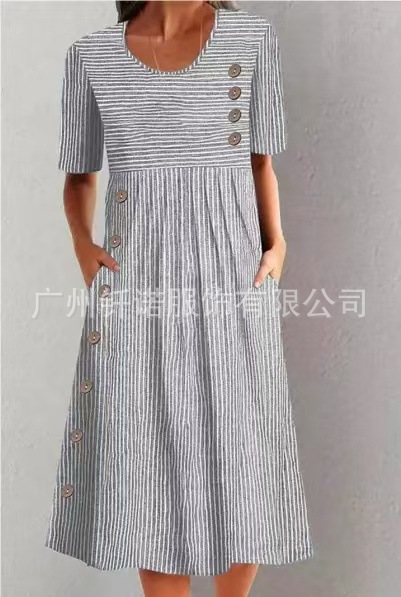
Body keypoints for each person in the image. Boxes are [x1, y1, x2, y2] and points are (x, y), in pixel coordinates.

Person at [45, 1, 314, 595]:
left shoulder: (251, 40)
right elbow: (79, 176)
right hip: (137, 285)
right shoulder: (91, 57)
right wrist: (82, 244)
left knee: (243, 450)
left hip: (234, 279)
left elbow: (260, 161)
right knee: (149, 455)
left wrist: (277, 244)